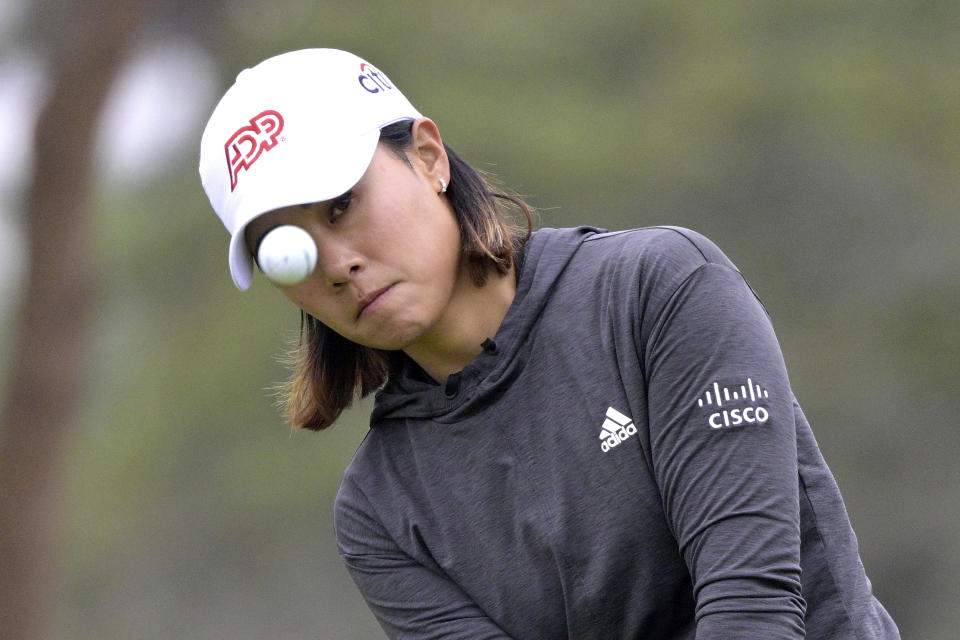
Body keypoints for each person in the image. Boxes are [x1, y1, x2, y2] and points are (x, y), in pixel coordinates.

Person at [199, 48, 901, 639]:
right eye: (286, 250)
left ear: (428, 156)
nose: (336, 264)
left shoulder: (658, 291)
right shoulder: (380, 512)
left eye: (342, 204)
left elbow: (754, 608)